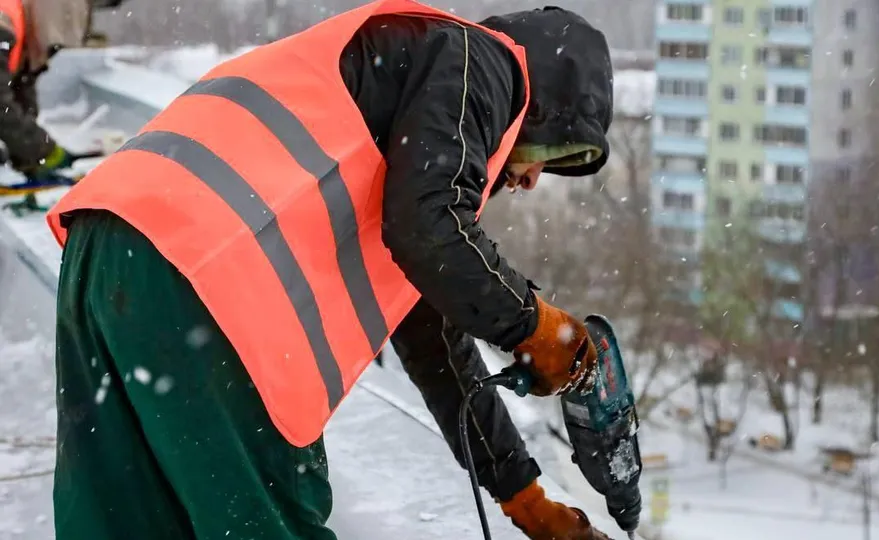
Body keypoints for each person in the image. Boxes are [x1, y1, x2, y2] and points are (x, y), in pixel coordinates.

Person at [46, 1, 614, 539]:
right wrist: (533, 325)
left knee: (128, 519)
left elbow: (435, 337)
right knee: (270, 520)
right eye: (553, 155)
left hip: (108, 245)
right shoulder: (479, 62)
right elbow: (428, 224)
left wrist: (522, 495)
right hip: (207, 279)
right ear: (540, 104)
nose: (535, 180)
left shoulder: (403, 93)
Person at [0, 0, 123, 213]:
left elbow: (20, 91)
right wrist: (42, 150)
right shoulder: (5, 23)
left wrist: (31, 154)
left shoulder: (19, 23)